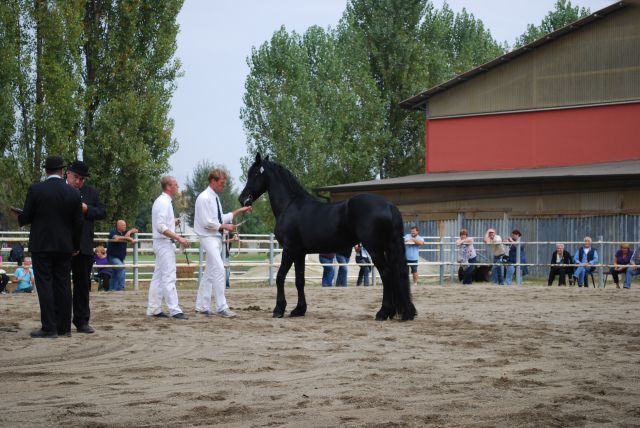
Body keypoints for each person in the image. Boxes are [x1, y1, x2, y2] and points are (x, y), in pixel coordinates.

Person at [16, 155, 83, 338]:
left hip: (42, 244)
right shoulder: (73, 193)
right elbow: (78, 223)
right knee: (63, 284)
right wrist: (75, 245)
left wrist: (19, 216)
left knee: (45, 284)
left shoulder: (36, 189)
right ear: (62, 171)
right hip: (64, 246)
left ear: (46, 171)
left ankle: (49, 327)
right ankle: (64, 328)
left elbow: (27, 217)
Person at [193, 169, 251, 317]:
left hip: (215, 238)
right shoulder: (204, 198)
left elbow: (220, 218)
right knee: (219, 269)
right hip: (208, 237)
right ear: (213, 181)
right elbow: (207, 222)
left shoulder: (214, 198)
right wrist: (224, 226)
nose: (223, 186)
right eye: (221, 183)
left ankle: (201, 306)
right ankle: (221, 307)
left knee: (210, 273)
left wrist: (239, 211)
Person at [66, 160, 106, 334]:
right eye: (76, 177)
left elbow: (102, 212)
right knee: (61, 285)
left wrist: (86, 208)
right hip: (63, 246)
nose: (79, 181)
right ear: (68, 174)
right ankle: (60, 320)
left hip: (84, 246)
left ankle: (82, 321)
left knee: (83, 286)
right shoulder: (61, 191)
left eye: (82, 179)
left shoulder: (91, 192)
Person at [146, 176, 190, 319]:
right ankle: (175, 309)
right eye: (176, 184)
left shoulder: (164, 202)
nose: (178, 187)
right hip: (164, 243)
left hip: (161, 242)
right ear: (169, 186)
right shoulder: (163, 203)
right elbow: (160, 227)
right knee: (169, 276)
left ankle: (154, 308)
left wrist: (172, 222)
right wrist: (178, 238)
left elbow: (163, 224)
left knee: (158, 277)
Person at [106, 220, 138, 291]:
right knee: (121, 268)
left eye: (125, 225)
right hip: (112, 256)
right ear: (118, 226)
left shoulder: (125, 232)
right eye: (123, 225)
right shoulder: (113, 231)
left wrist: (129, 232)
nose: (125, 226)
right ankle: (121, 288)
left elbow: (136, 230)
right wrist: (127, 238)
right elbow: (115, 238)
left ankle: (112, 289)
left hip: (121, 258)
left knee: (115, 272)